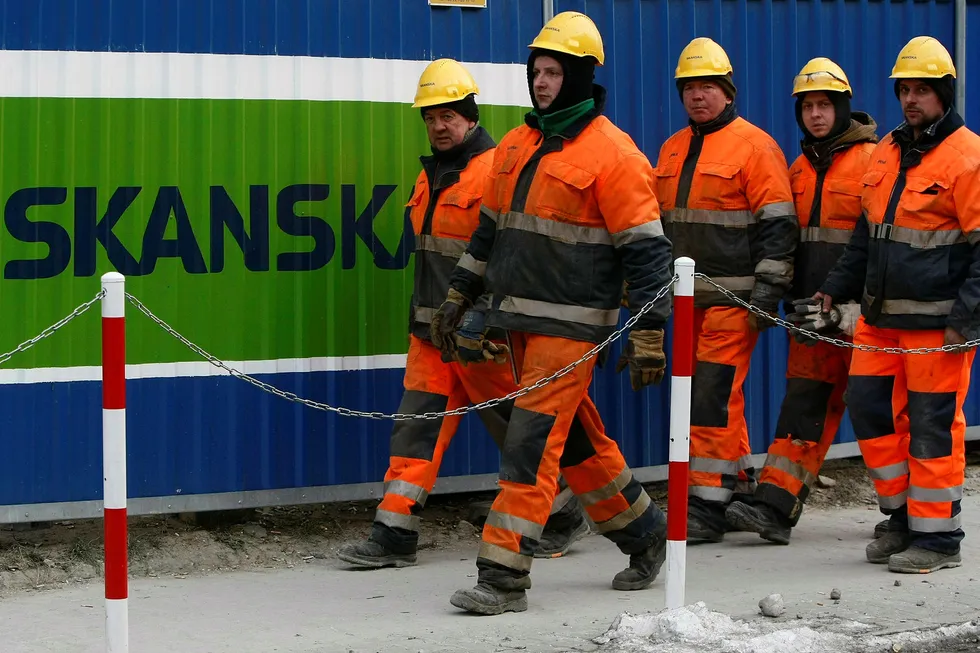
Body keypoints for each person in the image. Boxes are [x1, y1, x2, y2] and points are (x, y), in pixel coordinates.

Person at [430, 11, 673, 615]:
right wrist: (459, 293)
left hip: (571, 330)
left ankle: (503, 576)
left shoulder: (615, 155)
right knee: (578, 444)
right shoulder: (516, 145)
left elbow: (647, 254)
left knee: (531, 446)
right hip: (513, 326)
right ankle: (645, 533)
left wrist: (648, 332)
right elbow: (488, 233)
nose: (541, 82)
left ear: (581, 75)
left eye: (553, 72)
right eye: (536, 71)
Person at [336, 58, 589, 570]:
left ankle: (561, 513)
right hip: (433, 331)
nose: (439, 126)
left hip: (483, 334)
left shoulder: (496, 169)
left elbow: (508, 254)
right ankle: (393, 532)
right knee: (415, 429)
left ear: (471, 116)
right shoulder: (431, 175)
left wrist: (487, 320)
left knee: (516, 432)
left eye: (449, 115)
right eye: (430, 118)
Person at [816, 36, 980, 574]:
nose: (911, 99)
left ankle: (939, 538)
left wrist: (966, 319)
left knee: (933, 425)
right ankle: (902, 517)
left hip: (938, 327)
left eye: (923, 90)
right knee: (869, 408)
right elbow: (868, 235)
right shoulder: (887, 149)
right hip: (879, 320)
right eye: (905, 89)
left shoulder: (969, 157)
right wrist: (836, 289)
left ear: (944, 94)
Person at [724, 58, 879, 544]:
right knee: (803, 408)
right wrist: (791, 298)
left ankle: (915, 513)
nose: (816, 114)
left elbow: (884, 244)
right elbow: (789, 241)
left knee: (884, 412)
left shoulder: (875, 162)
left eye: (825, 105)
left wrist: (861, 307)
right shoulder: (797, 168)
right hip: (813, 313)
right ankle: (775, 506)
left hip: (863, 318)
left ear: (843, 108)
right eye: (808, 106)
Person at [652, 37, 798, 543]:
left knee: (709, 396)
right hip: (686, 301)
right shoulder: (672, 149)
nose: (697, 96)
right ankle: (735, 482)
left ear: (728, 92)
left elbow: (778, 225)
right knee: (713, 394)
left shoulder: (755, 147)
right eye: (689, 88)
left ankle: (706, 505)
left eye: (707, 86)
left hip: (734, 301)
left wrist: (767, 292)